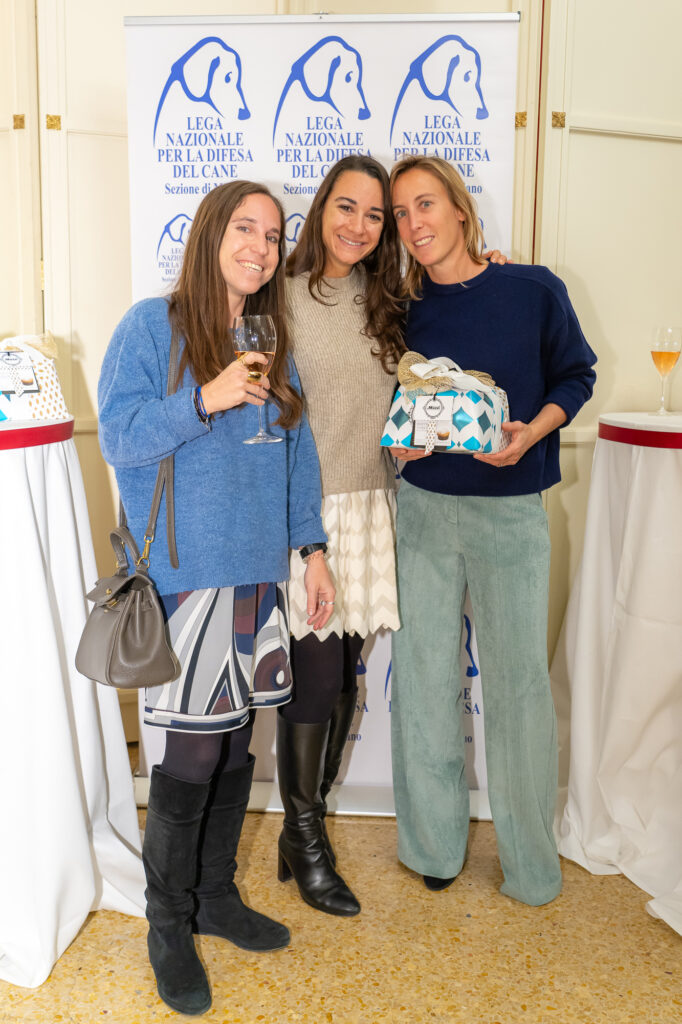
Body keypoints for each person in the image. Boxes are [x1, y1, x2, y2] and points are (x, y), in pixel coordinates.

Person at [98, 180, 335, 1017]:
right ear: (211, 234)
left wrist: (310, 551)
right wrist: (206, 397)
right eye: (246, 229)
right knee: (191, 755)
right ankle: (168, 924)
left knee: (236, 749)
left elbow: (297, 455)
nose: (261, 248)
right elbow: (119, 436)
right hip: (185, 577)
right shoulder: (149, 327)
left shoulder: (272, 337)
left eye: (273, 236)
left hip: (258, 575)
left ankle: (216, 898)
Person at [388, 155, 597, 906]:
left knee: (517, 689)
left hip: (512, 510)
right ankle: (434, 846)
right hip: (423, 511)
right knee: (422, 681)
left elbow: (577, 376)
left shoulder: (533, 289)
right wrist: (400, 444)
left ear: (460, 210)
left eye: (426, 205)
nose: (415, 224)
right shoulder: (400, 309)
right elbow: (393, 412)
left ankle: (532, 865)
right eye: (402, 213)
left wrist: (533, 432)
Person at [278, 156, 405, 916]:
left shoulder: (390, 301)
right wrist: (303, 540)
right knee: (317, 680)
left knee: (347, 678)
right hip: (308, 518)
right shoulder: (282, 298)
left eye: (375, 215)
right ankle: (308, 837)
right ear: (321, 208)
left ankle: (301, 833)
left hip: (372, 509)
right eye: (346, 208)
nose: (359, 226)